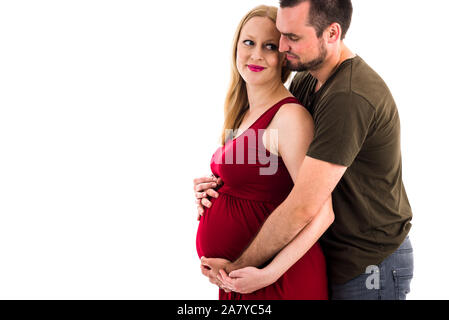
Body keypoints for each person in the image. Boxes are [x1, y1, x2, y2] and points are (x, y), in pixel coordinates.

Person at [195, 0, 414, 300]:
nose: (283, 46)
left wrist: (238, 268)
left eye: (292, 37)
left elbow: (307, 206)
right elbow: (274, 170)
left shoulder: (349, 98)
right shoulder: (305, 81)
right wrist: (221, 189)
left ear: (332, 34)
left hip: (367, 263)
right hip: (329, 255)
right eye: (281, 35)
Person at [195, 5, 332, 300]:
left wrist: (266, 274)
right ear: (235, 47)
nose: (256, 54)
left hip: (278, 282)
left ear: (284, 57)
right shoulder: (241, 112)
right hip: (242, 282)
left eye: (269, 46)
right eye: (249, 42)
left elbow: (323, 213)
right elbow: (254, 184)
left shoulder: (289, 117)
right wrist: (212, 191)